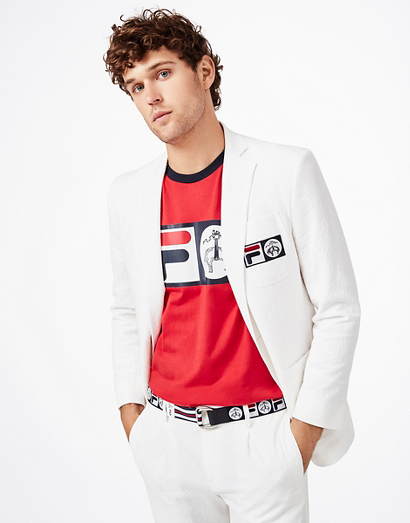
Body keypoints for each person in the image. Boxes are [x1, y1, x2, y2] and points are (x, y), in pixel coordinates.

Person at [103, 8, 361, 523]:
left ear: (205, 71)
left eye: (162, 72)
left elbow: (338, 308)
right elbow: (127, 312)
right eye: (136, 87)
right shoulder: (128, 195)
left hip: (264, 440)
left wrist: (301, 436)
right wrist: (136, 422)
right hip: (169, 442)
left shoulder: (285, 171)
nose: (151, 96)